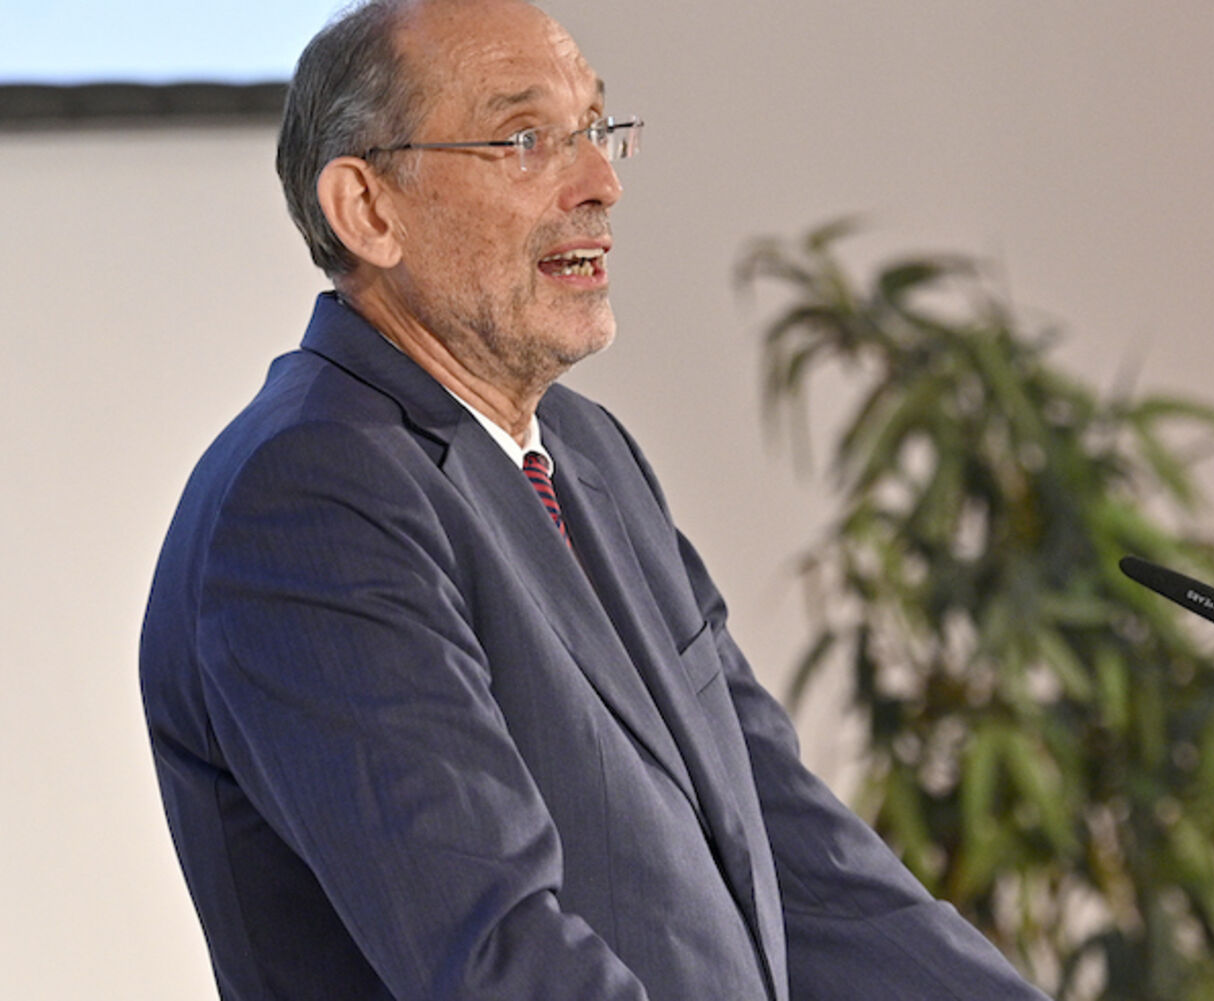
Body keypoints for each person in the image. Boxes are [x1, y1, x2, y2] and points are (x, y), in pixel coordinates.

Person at [138, 2, 1050, 999]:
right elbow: (498, 955)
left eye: (597, 131)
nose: (601, 183)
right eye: (526, 140)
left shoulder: (588, 455)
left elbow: (802, 869)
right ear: (368, 208)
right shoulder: (309, 499)